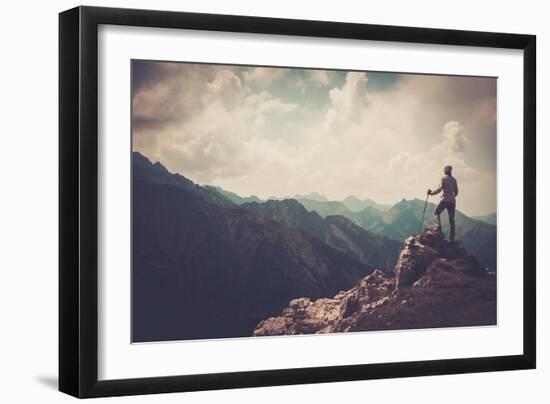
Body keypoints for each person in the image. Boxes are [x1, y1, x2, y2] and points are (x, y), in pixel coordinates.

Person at [428, 165, 459, 242]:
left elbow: (439, 189)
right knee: (451, 220)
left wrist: (431, 193)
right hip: (452, 201)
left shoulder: (443, 178)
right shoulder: (454, 180)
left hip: (445, 200)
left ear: (445, 171)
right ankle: (452, 239)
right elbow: (456, 192)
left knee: (436, 213)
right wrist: (452, 197)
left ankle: (438, 228)